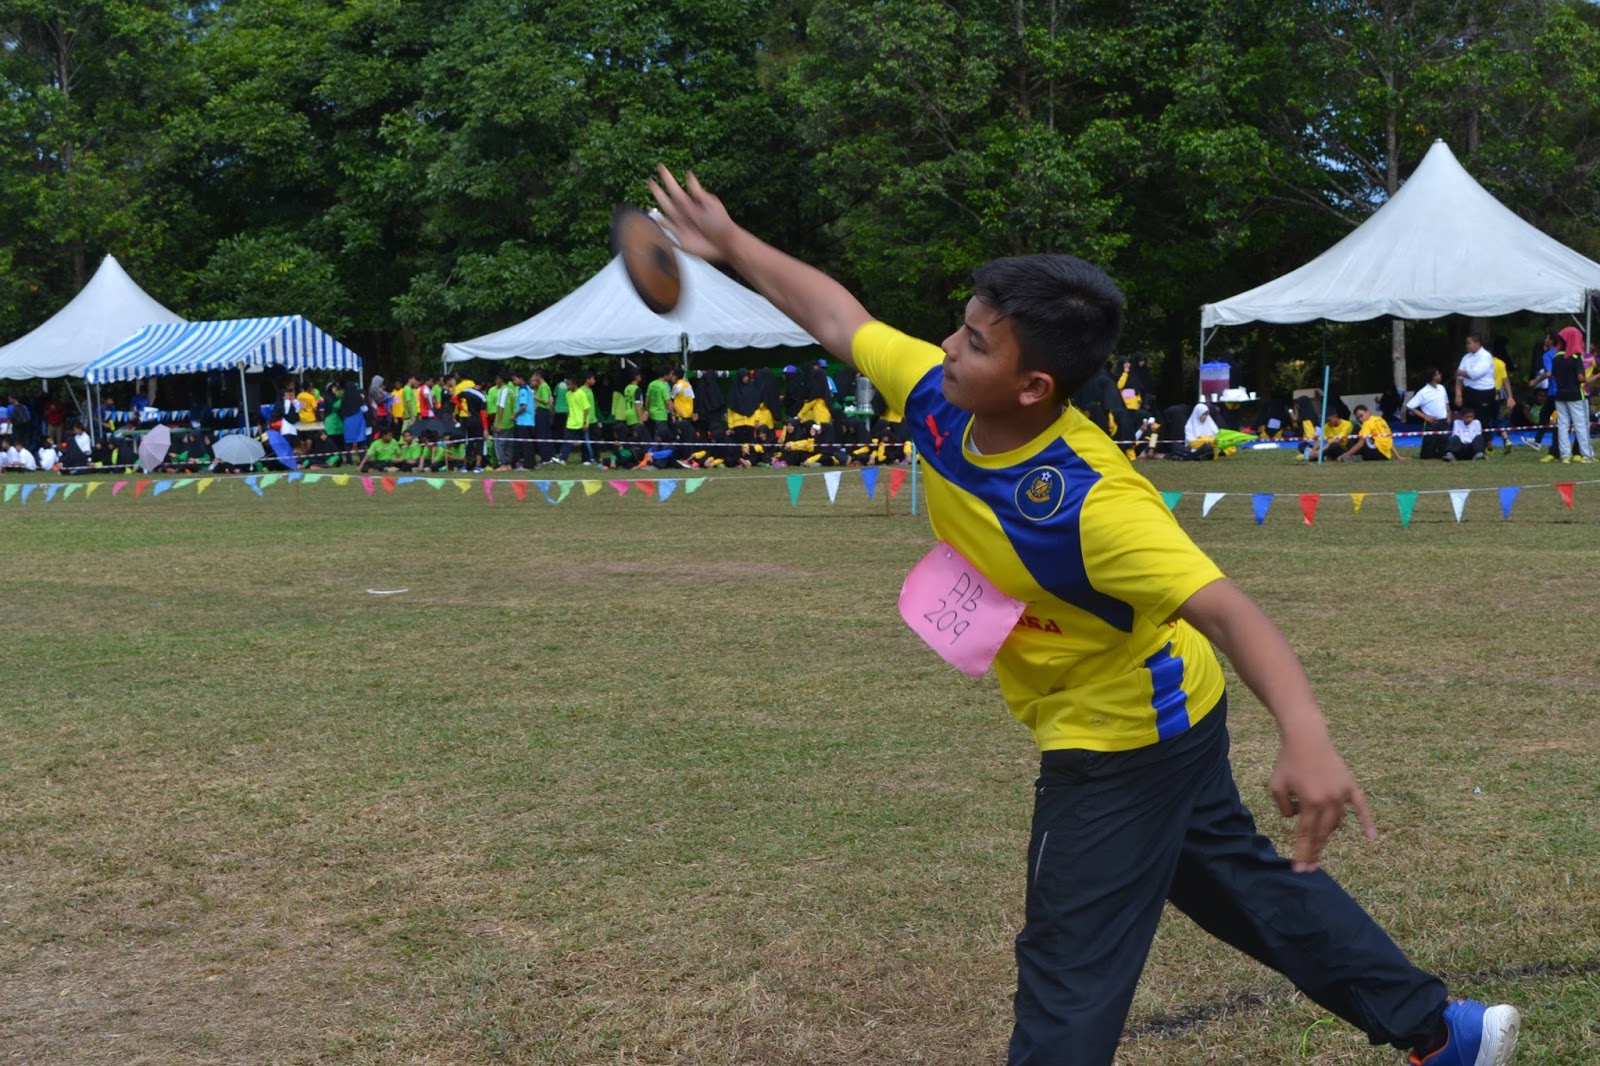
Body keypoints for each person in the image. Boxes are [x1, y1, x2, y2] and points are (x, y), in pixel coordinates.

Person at [650, 165, 1519, 1066]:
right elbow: (838, 317)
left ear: (1033, 386)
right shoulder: (939, 394)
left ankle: (1437, 1032)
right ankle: (1444, 1035)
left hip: (1125, 730)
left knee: (1068, 960)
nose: (947, 348)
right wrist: (731, 241)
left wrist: (1306, 733)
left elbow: (1228, 610)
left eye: (974, 343)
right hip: (1160, 704)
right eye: (960, 326)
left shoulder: (1094, 504)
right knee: (1242, 887)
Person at [1544, 328, 1594, 464]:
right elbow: (1580, 378)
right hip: (1576, 395)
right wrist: (1588, 379)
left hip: (1560, 395)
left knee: (1563, 425)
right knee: (1581, 425)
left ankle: (1565, 455)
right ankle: (1586, 455)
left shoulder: (1556, 357)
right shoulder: (1576, 357)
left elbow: (1554, 375)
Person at [1405, 368, 1450, 459]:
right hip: (1432, 422)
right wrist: (1425, 417)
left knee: (1444, 444)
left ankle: (1441, 453)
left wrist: (1448, 415)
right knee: (1427, 451)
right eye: (1437, 374)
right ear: (1432, 377)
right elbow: (1409, 406)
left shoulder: (1441, 388)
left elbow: (1446, 402)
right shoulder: (1423, 392)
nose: (1440, 375)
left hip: (1444, 421)